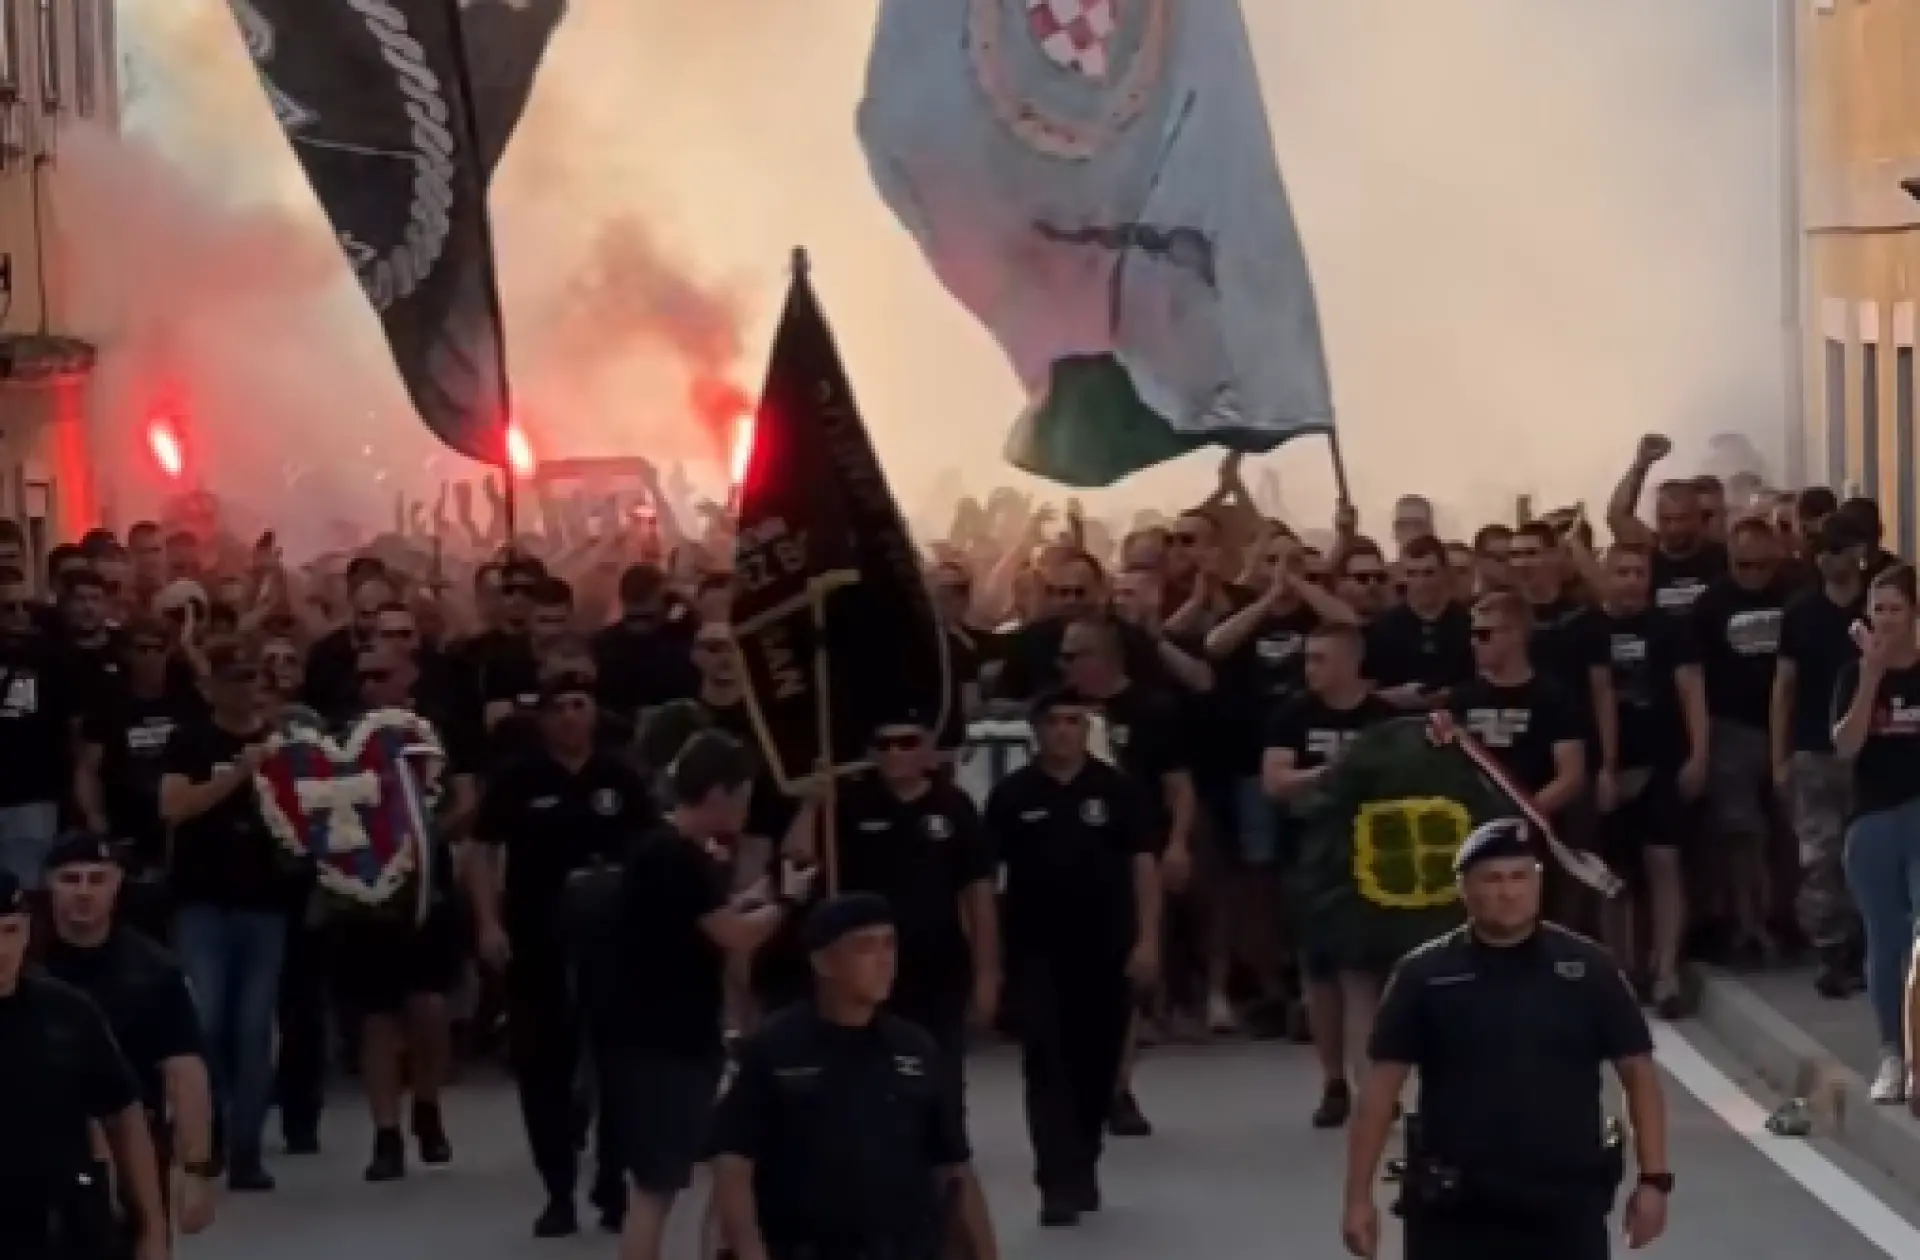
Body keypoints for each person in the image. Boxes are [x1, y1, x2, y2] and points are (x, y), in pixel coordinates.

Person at [1340, 819, 1672, 1260]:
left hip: (1563, 1204)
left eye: (1520, 877)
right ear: (1464, 889)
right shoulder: (1424, 976)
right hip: (1457, 1209)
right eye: (1492, 879)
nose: (1509, 892)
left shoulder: (1589, 970)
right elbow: (1380, 1090)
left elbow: (1638, 1074)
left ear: (1538, 883)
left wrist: (1654, 1180)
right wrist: (1358, 1198)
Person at [468, 653, 658, 1237]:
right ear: (543, 718)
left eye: (581, 705)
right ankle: (557, 1190)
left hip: (615, 942)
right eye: (560, 708)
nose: (571, 717)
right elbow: (482, 850)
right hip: (538, 940)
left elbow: (653, 852)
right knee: (543, 1068)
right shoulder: (518, 779)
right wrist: (488, 923)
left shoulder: (620, 777)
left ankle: (613, 1179)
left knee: (620, 1067)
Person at [601, 729, 810, 1260]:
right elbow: (734, 935)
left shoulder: (674, 854)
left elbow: (709, 914)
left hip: (667, 1036)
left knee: (694, 1172)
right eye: (743, 796)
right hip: (664, 1044)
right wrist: (787, 903)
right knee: (656, 1190)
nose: (746, 809)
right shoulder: (671, 857)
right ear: (718, 793)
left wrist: (764, 891)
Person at [711, 893, 993, 1260]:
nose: (884, 960)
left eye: (890, 944)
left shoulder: (915, 1048)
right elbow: (732, 1162)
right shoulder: (776, 1048)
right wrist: (748, 1248)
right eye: (865, 947)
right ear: (823, 961)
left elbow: (954, 1166)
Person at [983, 688, 1160, 1227]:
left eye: (1073, 721)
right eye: (1054, 722)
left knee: (1096, 1064)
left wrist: (1148, 940)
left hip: (1106, 948)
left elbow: (1144, 866)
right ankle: (1055, 1180)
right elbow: (986, 880)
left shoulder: (1117, 790)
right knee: (1046, 1062)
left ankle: (1083, 1161)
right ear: (1036, 730)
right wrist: (991, 961)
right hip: (1035, 950)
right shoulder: (1012, 795)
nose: (1063, 731)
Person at [39, 834, 217, 1243]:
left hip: (136, 1143)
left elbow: (186, 1071)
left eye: (96, 878)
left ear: (117, 882)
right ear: (49, 882)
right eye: (71, 879)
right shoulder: (23, 962)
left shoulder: (155, 973)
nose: (84, 891)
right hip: (42, 1144)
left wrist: (196, 1169)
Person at [157, 636, 287, 1191]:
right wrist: (238, 772)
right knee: (206, 1020)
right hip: (201, 902)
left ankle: (247, 1147)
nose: (244, 688)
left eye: (251, 676)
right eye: (232, 677)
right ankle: (207, 1135)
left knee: (253, 1028)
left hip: (265, 902)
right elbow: (174, 807)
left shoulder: (282, 741)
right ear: (211, 687)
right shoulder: (190, 740)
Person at [1262, 622, 1395, 1127]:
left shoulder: (1385, 717)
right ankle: (1333, 1079)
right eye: (1308, 658)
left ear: (1351, 662)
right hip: (1311, 856)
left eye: (1320, 658)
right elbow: (1275, 780)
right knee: (1320, 974)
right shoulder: (1292, 715)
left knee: (1365, 973)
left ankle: (1371, 1084)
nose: (1310, 668)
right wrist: (1329, 772)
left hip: (1374, 857)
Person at [0, 870, 170, 1260]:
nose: (1, 950)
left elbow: (122, 1114)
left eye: (10, 931)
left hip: (62, 1225)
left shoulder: (67, 1014)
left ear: (27, 931)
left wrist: (152, 1229)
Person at [1830, 564, 1920, 1104]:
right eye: (1877, 609)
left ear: (1914, 614)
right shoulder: (1854, 674)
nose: (1884, 619)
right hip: (1872, 820)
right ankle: (1893, 1053)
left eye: (1895, 609)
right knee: (1886, 941)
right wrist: (1870, 678)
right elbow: (1845, 746)